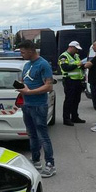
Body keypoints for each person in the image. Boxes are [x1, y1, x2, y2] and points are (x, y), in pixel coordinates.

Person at [17, 39, 55, 176]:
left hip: (39, 105)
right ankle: (36, 160)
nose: (21, 54)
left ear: (31, 51)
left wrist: (29, 92)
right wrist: (21, 87)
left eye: (23, 52)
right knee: (32, 134)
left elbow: (48, 86)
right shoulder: (27, 65)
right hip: (27, 105)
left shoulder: (43, 64)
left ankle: (50, 164)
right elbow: (25, 81)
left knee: (42, 136)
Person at [57, 40, 85, 125]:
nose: (77, 51)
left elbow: (79, 66)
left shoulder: (76, 56)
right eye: (76, 49)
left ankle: (75, 117)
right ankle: (66, 119)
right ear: (71, 47)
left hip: (77, 80)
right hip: (69, 80)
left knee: (76, 100)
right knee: (69, 100)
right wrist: (77, 64)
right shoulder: (63, 56)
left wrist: (83, 65)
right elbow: (65, 68)